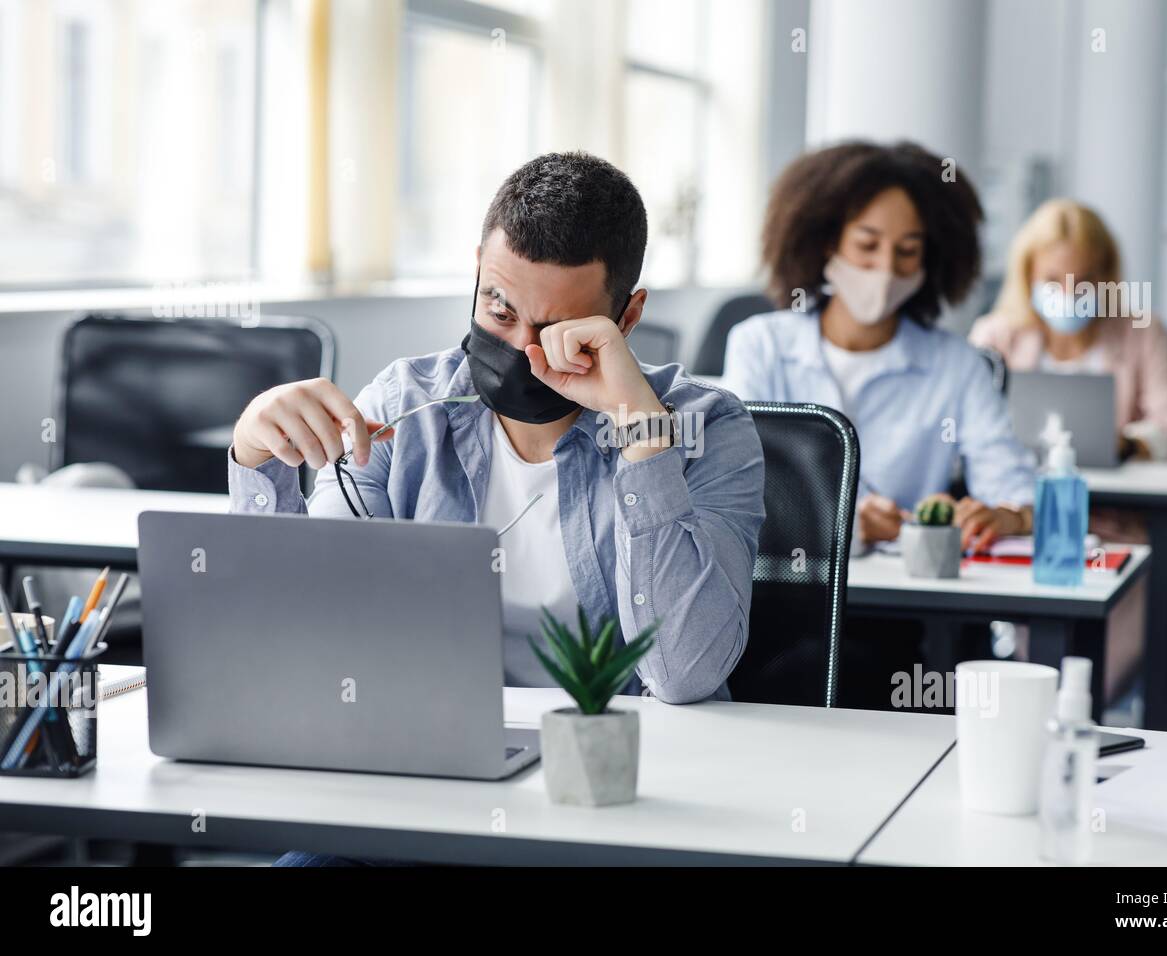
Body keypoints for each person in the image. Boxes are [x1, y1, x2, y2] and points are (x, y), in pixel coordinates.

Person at [227, 153, 765, 863]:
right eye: (499, 308)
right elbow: (313, 629)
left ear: (626, 316)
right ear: (478, 268)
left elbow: (686, 672)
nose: (516, 349)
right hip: (427, 779)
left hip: (619, 792)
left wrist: (641, 429)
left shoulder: (706, 427)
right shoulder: (402, 405)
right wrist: (257, 463)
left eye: (557, 330)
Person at [720, 140, 1036, 710]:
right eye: (867, 245)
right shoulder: (760, 345)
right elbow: (738, 482)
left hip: (904, 621)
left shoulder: (958, 366)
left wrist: (1003, 514)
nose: (885, 270)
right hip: (782, 601)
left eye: (908, 252)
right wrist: (838, 517)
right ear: (825, 241)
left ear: (933, 259)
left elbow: (1017, 491)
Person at [970, 198, 1167, 701]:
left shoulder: (1139, 330)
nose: (1069, 294)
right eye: (1054, 279)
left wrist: (1130, 442)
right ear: (1027, 274)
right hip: (1020, 522)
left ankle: (1082, 712)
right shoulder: (996, 335)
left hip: (1119, 528)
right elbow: (964, 431)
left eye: (1084, 280)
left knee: (1098, 666)